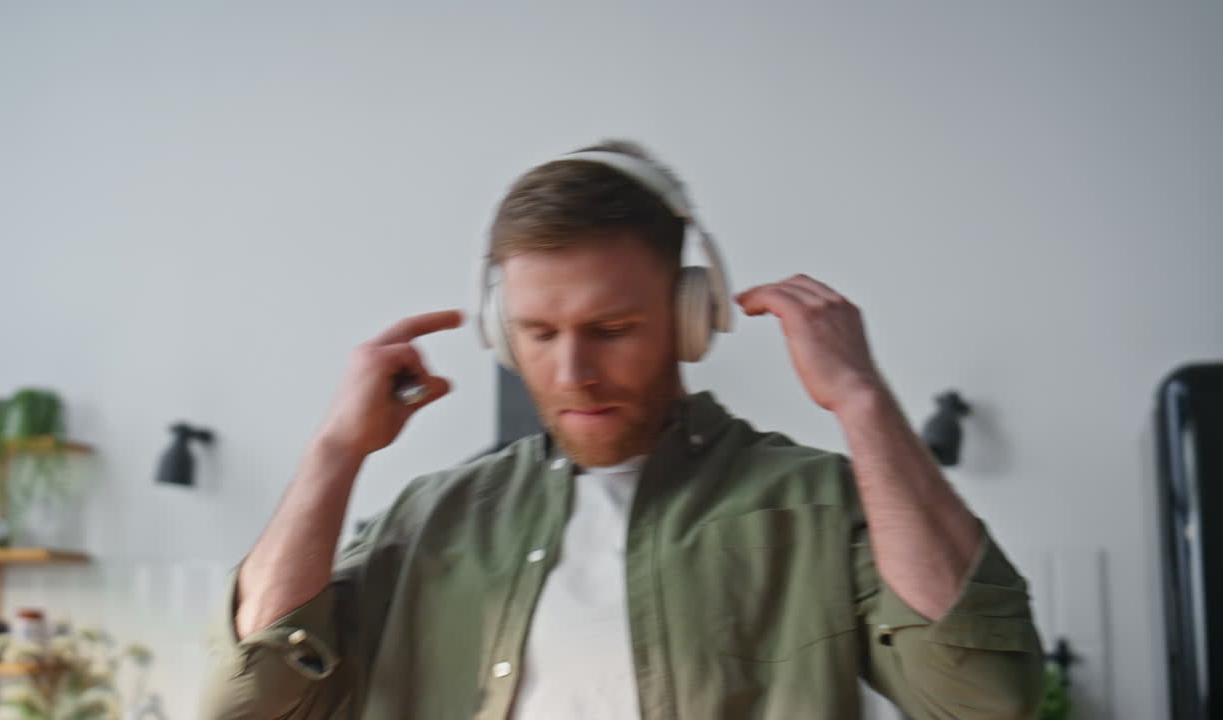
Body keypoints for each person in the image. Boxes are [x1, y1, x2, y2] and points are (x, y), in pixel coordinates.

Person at [199, 141, 1044, 720]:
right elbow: (248, 703)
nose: (572, 373)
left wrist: (862, 401)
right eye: (538, 333)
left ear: (690, 318)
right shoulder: (432, 520)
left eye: (612, 329)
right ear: (500, 332)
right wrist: (335, 454)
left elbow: (983, 699)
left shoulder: (811, 504)